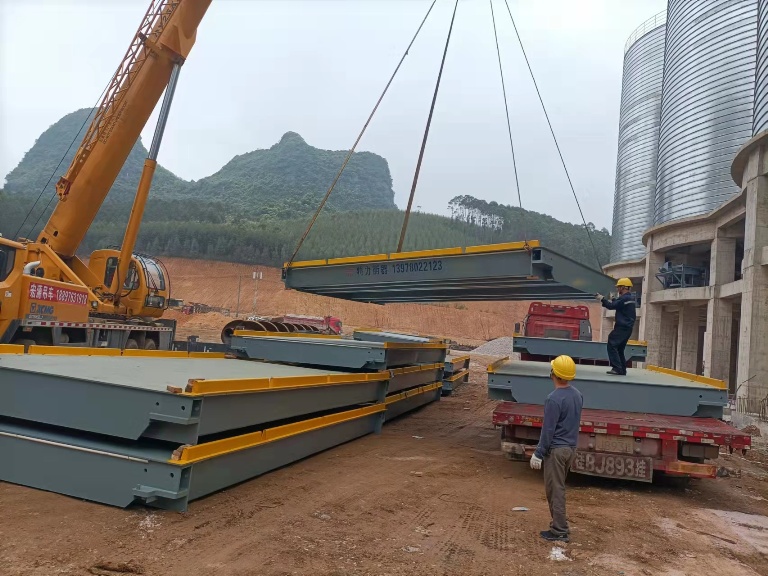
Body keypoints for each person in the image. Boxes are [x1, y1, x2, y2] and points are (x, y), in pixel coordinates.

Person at [529, 355, 583, 543]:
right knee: (558, 488)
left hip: (557, 451)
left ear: (553, 373)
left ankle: (559, 530)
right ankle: (558, 526)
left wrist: (538, 453)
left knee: (555, 490)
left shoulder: (553, 399)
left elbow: (548, 430)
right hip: (570, 449)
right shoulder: (577, 395)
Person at [596, 278, 636, 376]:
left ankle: (617, 368)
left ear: (623, 287)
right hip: (627, 328)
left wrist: (602, 299)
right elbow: (618, 304)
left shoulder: (624, 298)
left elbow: (611, 306)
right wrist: (613, 298)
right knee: (619, 349)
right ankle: (622, 369)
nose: (617, 289)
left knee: (612, 343)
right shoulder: (629, 298)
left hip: (622, 327)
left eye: (618, 287)